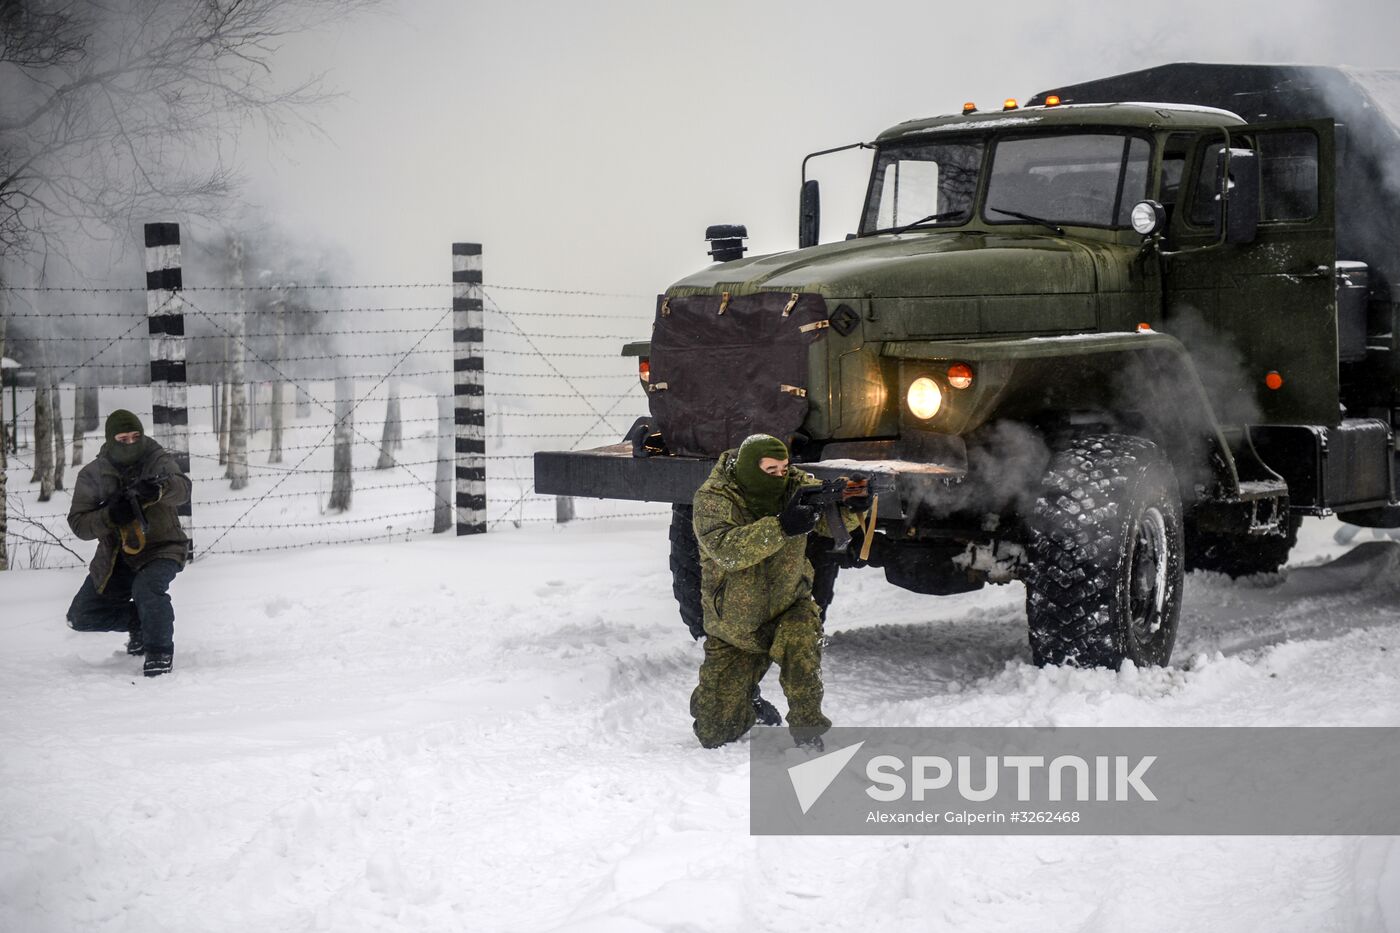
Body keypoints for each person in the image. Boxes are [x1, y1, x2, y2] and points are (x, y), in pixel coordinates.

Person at [689, 434, 866, 749]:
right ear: (749, 468)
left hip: (788, 608)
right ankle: (749, 699)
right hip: (735, 629)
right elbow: (727, 551)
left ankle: (808, 731)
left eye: (784, 469)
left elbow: (830, 523)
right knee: (713, 731)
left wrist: (852, 507)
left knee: (801, 646)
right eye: (770, 470)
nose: (780, 476)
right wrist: (782, 526)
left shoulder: (797, 486)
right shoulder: (714, 497)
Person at [66, 410, 191, 677]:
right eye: (123, 439)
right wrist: (110, 515)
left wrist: (159, 490)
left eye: (136, 436)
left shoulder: (156, 459)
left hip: (163, 548)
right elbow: (79, 524)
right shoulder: (94, 474)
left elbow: (182, 489)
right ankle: (141, 623)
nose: (131, 443)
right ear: (111, 439)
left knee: (147, 589)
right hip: (116, 557)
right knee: (81, 616)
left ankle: (159, 652)